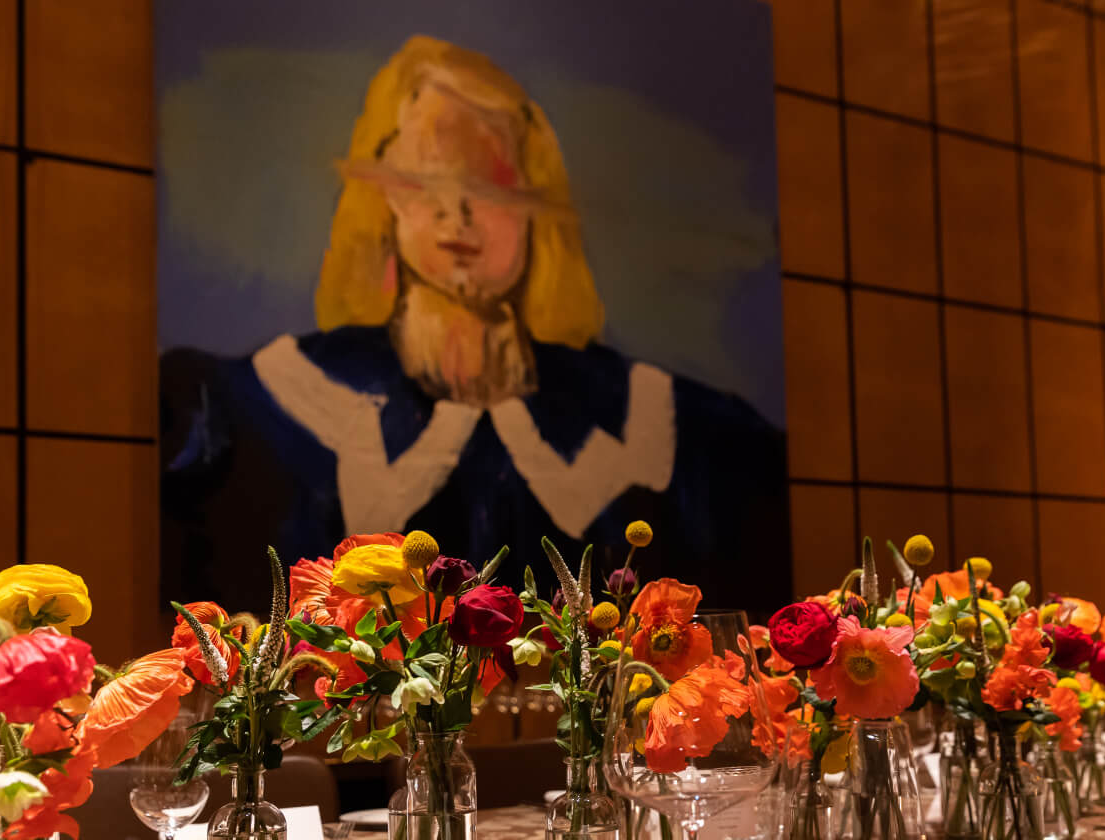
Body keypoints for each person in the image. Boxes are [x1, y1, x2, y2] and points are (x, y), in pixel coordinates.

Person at [161, 35, 786, 613]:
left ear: (536, 207)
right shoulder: (252, 409)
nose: (455, 213)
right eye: (425, 178)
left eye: (489, 185)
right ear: (387, 200)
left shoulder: (672, 425)